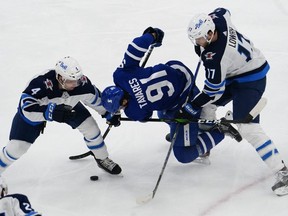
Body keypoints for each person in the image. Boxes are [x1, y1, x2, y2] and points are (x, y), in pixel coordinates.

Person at [181, 7, 288, 196]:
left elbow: (213, 91)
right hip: (235, 70)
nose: (197, 43)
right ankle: (205, 149)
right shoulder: (218, 19)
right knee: (207, 106)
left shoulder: (216, 57)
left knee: (247, 127)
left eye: (199, 38)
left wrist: (194, 105)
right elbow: (224, 10)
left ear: (209, 33)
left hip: (252, 78)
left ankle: (283, 172)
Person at [101, 27, 242, 166]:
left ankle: (220, 130)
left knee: (183, 154)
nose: (122, 108)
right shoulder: (120, 75)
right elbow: (134, 50)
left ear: (123, 100)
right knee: (163, 112)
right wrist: (152, 36)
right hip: (179, 71)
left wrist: (118, 114)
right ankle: (187, 132)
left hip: (185, 102)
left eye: (121, 106)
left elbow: (145, 116)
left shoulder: (133, 111)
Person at [0, 56, 122, 191]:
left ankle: (102, 158)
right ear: (59, 77)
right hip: (41, 109)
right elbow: (26, 109)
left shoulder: (82, 83)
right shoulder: (40, 82)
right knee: (17, 147)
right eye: (70, 81)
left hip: (69, 106)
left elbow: (96, 99)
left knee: (91, 128)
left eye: (76, 80)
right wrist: (49, 112)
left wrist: (109, 113)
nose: (75, 84)